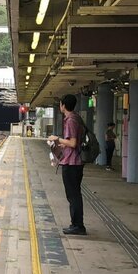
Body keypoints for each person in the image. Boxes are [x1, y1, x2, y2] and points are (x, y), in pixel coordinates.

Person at [47, 94, 85, 236]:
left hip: (72, 163)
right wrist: (61, 145)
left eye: (60, 104)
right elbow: (72, 143)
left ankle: (78, 226)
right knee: (74, 194)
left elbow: (73, 143)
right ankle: (76, 224)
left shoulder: (71, 120)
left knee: (73, 195)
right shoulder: (76, 118)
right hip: (74, 162)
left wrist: (57, 139)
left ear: (63, 105)